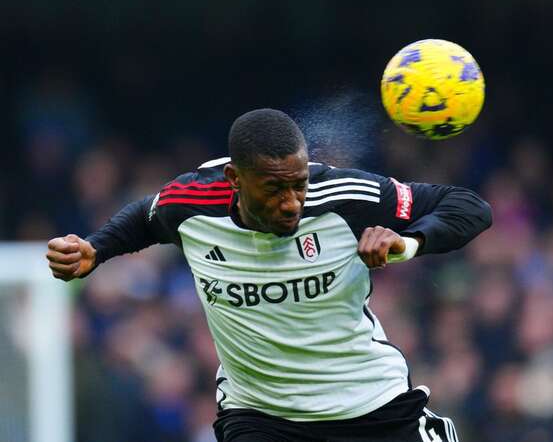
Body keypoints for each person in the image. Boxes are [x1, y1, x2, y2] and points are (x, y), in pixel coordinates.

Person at [46, 108, 492, 442]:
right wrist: (97, 249)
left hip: (371, 405)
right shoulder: (191, 203)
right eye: (274, 188)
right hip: (260, 418)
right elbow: (145, 217)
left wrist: (408, 244)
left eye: (297, 184)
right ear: (234, 179)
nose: (292, 201)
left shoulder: (342, 194)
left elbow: (469, 207)